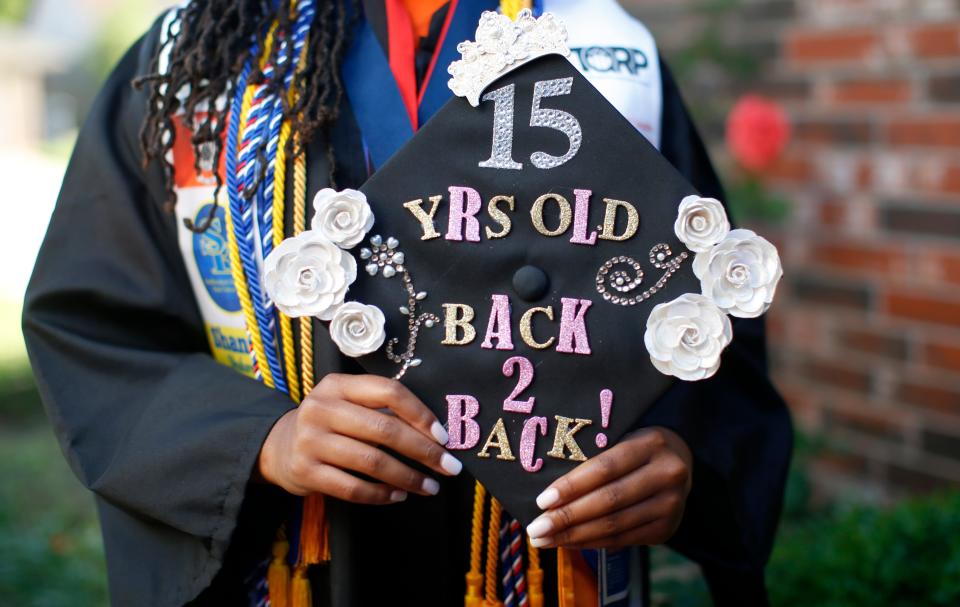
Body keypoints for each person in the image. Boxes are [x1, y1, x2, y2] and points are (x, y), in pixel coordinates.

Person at [22, 0, 792, 605]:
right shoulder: (198, 58)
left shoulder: (607, 55)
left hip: (543, 561)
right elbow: (95, 323)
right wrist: (260, 440)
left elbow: (705, 333)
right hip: (302, 562)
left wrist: (679, 459)